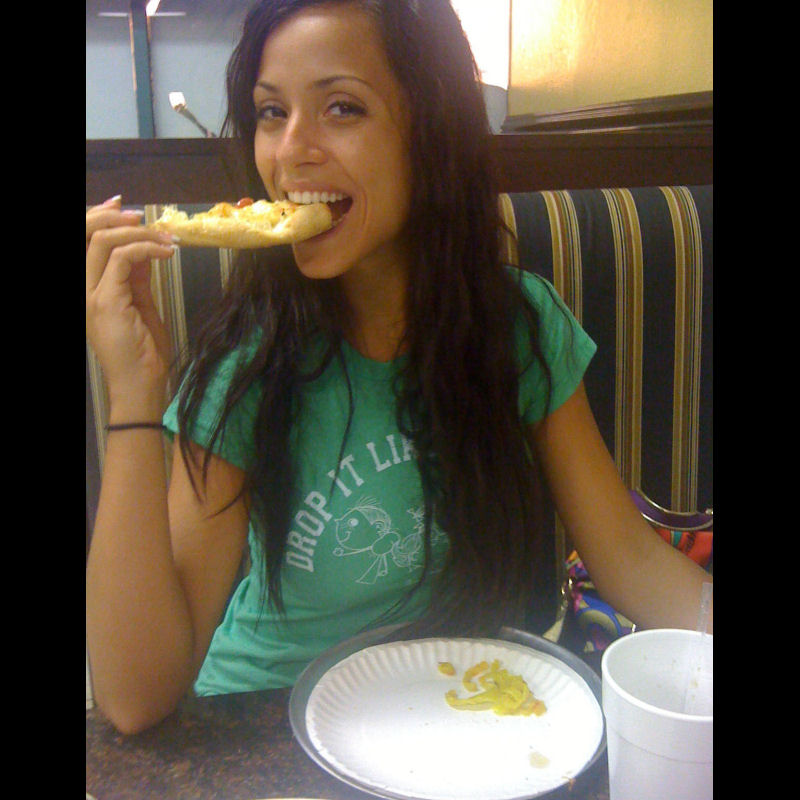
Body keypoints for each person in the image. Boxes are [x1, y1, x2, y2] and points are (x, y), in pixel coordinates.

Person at [86, 0, 712, 735]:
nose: (290, 151)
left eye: (342, 108)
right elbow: (136, 698)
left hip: (450, 718)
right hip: (265, 721)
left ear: (430, 131)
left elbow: (630, 558)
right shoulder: (249, 363)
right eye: (270, 112)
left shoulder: (517, 329)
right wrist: (133, 392)